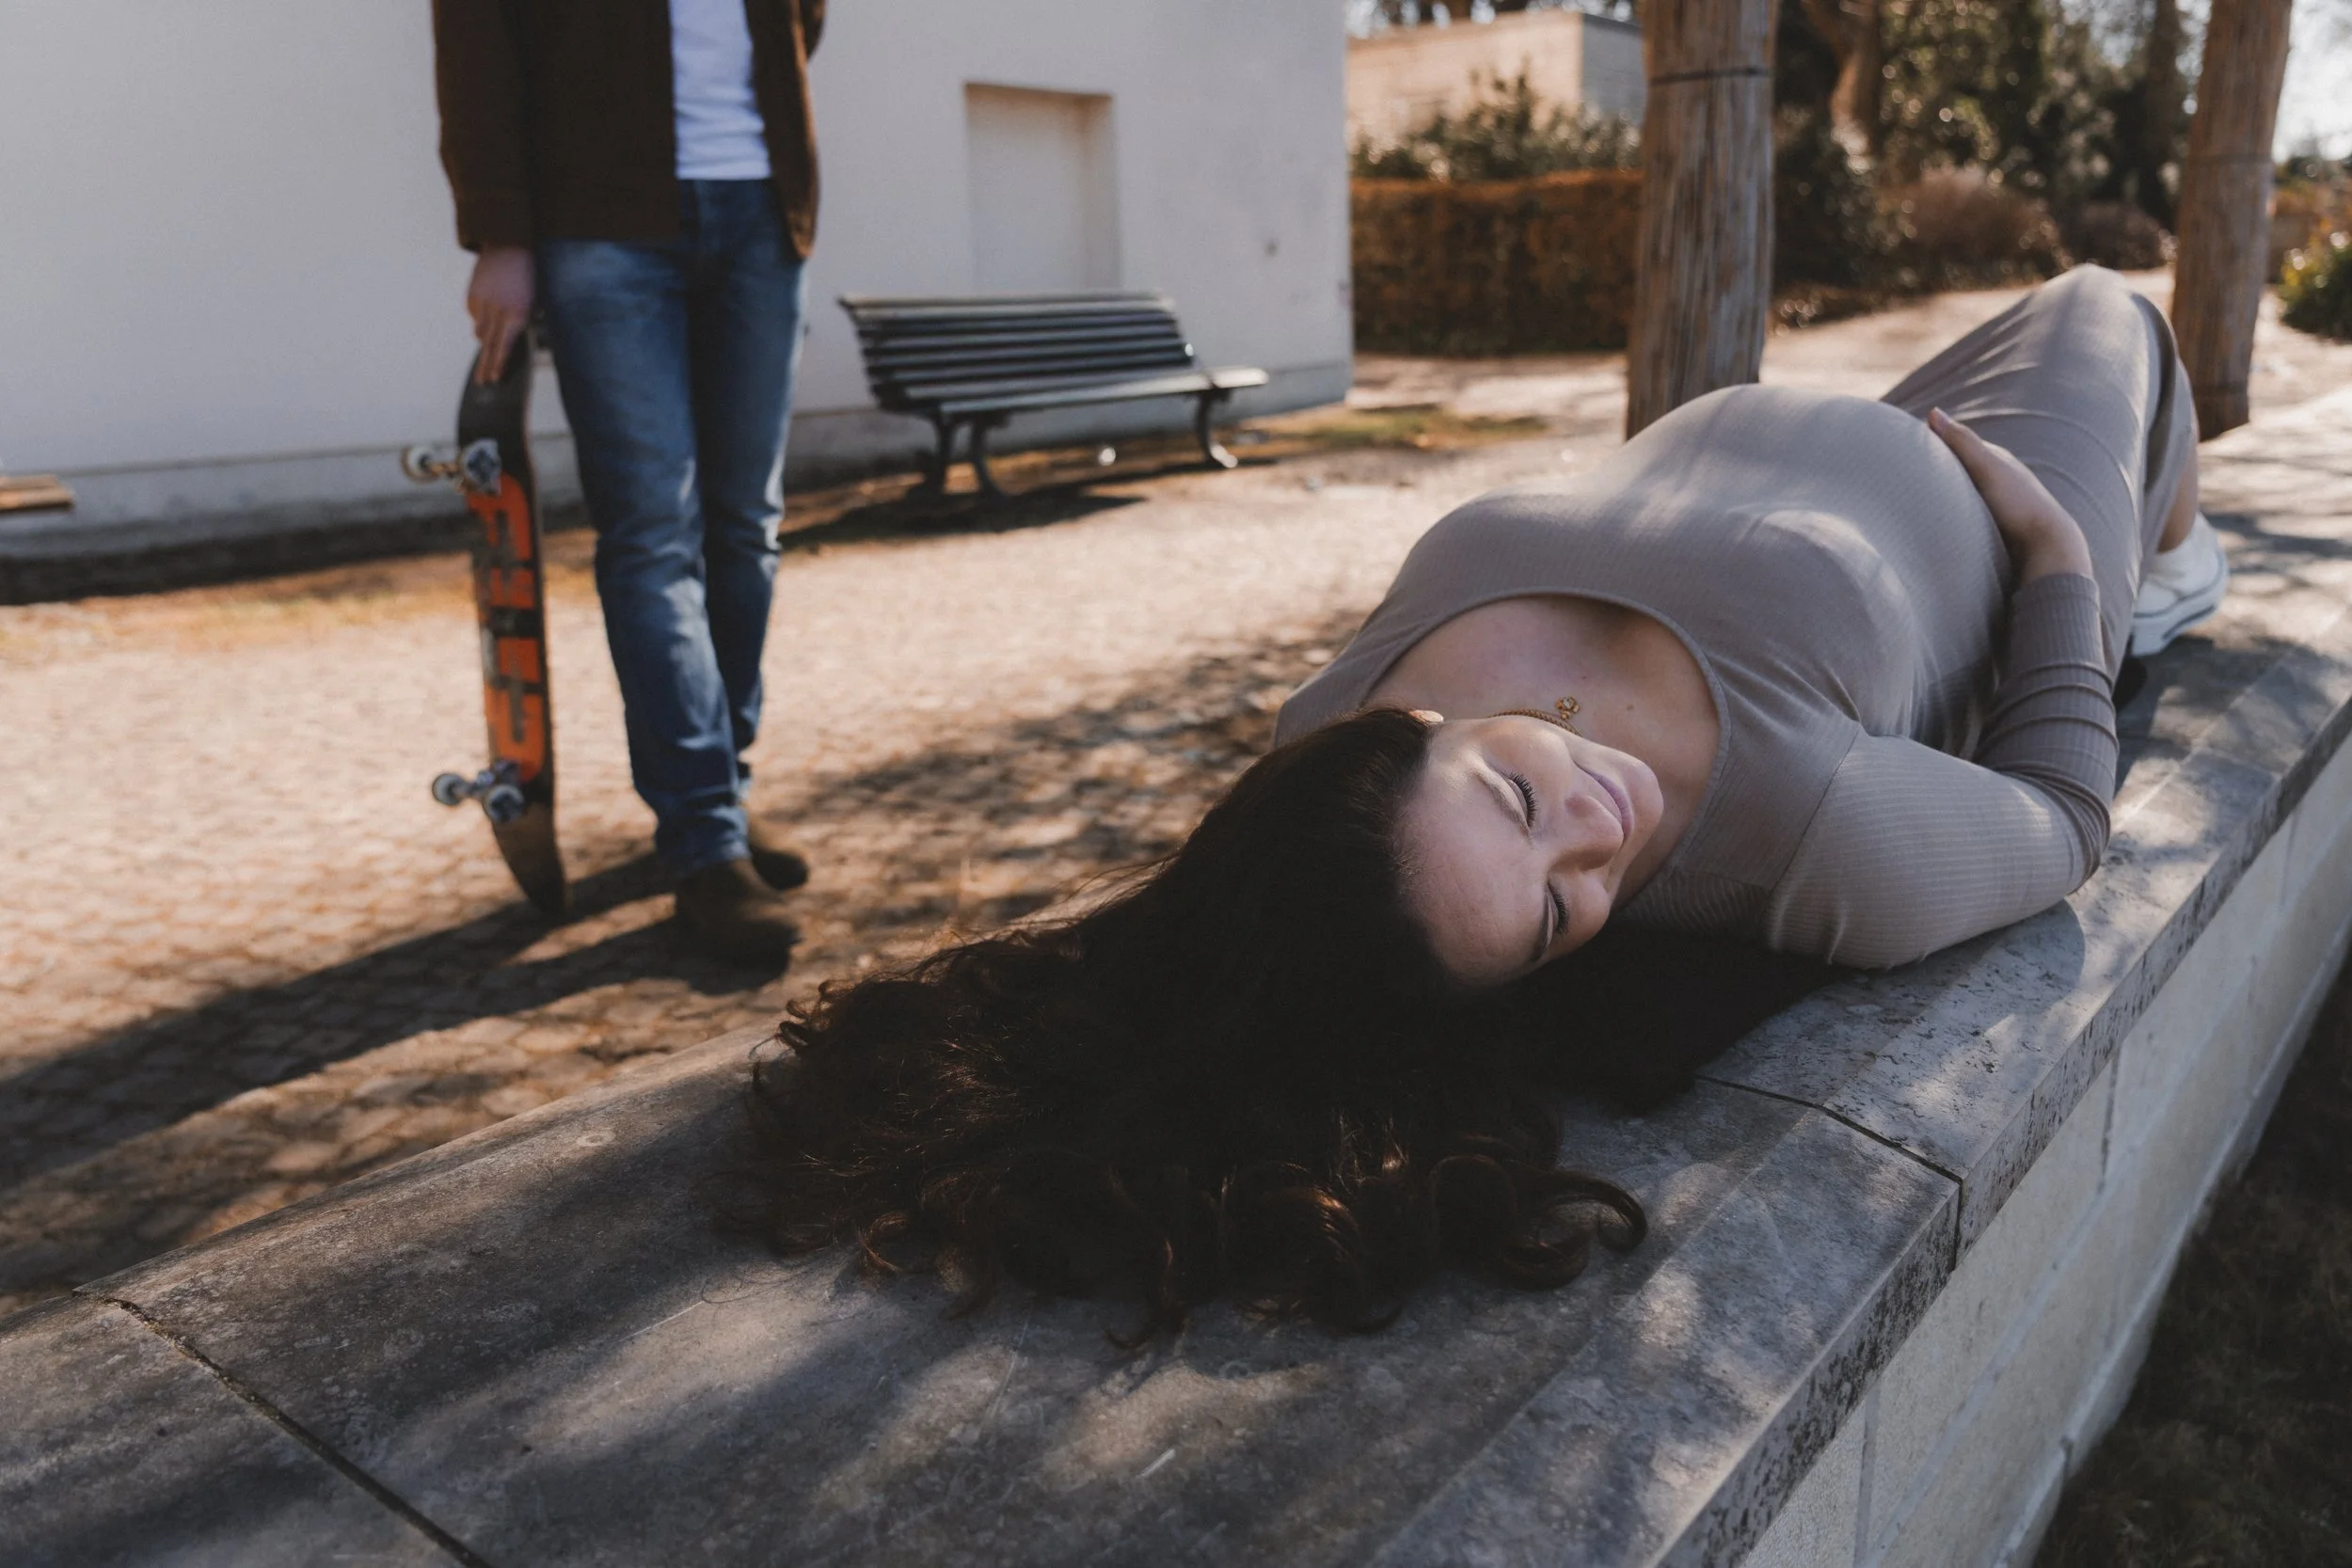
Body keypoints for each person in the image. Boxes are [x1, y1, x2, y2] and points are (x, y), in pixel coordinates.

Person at [746, 265, 2229, 1335]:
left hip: (1866, 428)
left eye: (1518, 796)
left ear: (1404, 726)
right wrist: (2059, 568)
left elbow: (1241, 938)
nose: (1607, 827)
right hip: (2005, 512)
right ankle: (2172, 554)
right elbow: (2067, 822)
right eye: (1562, 909)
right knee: (2115, 305)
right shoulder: (1814, 830)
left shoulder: (1325, 731)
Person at [431, 0, 826, 963]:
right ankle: (701, 838)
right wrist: (501, 235)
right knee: (652, 533)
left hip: (762, 211)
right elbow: (478, 44)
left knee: (745, 527)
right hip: (601, 220)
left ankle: (719, 790)